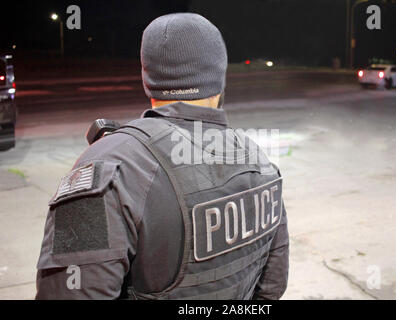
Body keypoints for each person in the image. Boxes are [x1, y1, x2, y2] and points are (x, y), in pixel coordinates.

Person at [35, 13, 289, 300]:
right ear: (219, 78)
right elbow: (272, 287)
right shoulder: (259, 160)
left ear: (148, 77)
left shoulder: (109, 167)